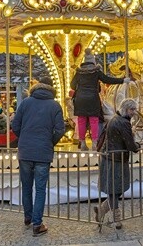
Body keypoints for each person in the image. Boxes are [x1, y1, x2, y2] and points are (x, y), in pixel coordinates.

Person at [11, 77, 65, 237]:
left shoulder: (26, 102)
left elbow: (15, 125)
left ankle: (28, 217)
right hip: (43, 152)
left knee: (26, 187)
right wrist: (50, 142)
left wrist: (24, 138)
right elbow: (60, 130)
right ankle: (37, 224)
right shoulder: (55, 105)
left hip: (25, 151)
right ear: (51, 88)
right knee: (40, 189)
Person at [95, 98, 140, 230]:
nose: (134, 112)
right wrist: (137, 145)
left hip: (111, 158)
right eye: (132, 109)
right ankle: (116, 220)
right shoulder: (123, 123)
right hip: (117, 160)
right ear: (126, 109)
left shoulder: (114, 119)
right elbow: (131, 145)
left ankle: (102, 210)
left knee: (115, 190)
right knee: (115, 190)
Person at [70, 48, 127, 151]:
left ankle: (82, 142)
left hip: (80, 99)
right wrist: (122, 80)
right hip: (92, 98)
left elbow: (72, 86)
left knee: (81, 120)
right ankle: (94, 143)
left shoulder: (79, 72)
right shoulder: (96, 71)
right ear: (93, 61)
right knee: (94, 120)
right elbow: (107, 79)